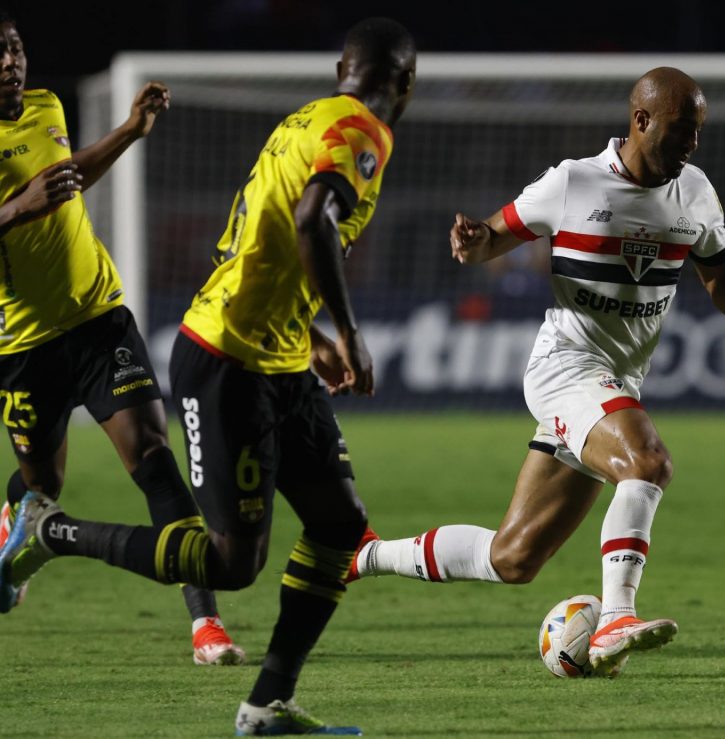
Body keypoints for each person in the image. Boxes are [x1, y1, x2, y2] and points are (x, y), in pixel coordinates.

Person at [0, 16, 415, 734]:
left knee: (336, 521)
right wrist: (349, 332)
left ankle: (261, 696)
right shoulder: (361, 134)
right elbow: (314, 219)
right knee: (226, 556)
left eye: (14, 47)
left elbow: (251, 236)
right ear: (404, 83)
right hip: (204, 357)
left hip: (197, 339)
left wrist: (309, 334)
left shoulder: (305, 120)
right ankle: (48, 530)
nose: (11, 61)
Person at [349, 67, 725, 679]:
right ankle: (617, 618)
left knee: (513, 556)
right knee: (649, 463)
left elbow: (720, 269)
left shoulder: (696, 191)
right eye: (682, 130)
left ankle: (365, 556)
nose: (692, 144)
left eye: (698, 133)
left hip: (615, 385)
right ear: (641, 121)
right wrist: (473, 244)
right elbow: (494, 237)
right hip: (566, 368)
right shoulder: (573, 182)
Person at [0, 9, 243, 666]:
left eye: (15, 48)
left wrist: (130, 132)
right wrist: (16, 208)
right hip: (22, 349)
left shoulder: (47, 104)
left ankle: (206, 625)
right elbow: (30, 202)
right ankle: (17, 529)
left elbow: (68, 181)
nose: (9, 62)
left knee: (155, 461)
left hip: (100, 321)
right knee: (41, 484)